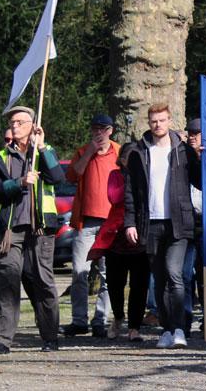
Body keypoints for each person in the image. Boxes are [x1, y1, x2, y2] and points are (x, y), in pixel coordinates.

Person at [0, 106, 67, 354]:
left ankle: (50, 337)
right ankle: (3, 340)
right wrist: (19, 182)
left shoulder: (45, 152)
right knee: (6, 282)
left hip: (40, 229)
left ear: (32, 125)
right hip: (10, 229)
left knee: (43, 281)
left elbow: (57, 178)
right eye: (12, 122)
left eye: (20, 122)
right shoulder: (1, 157)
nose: (15, 126)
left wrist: (40, 146)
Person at [122, 102, 202, 350]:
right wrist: (130, 222)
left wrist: (202, 157)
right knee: (158, 279)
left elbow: (200, 182)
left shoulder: (183, 151)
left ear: (170, 121)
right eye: (154, 121)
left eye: (162, 120)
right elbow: (131, 192)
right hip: (151, 223)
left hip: (179, 223)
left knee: (175, 274)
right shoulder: (138, 153)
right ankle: (166, 329)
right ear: (149, 123)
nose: (158, 125)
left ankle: (179, 328)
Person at [87, 141, 149, 342]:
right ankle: (118, 317)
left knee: (139, 285)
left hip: (140, 236)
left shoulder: (147, 176)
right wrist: (132, 181)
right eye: (129, 157)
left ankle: (134, 327)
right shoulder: (116, 175)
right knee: (115, 283)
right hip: (116, 237)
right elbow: (114, 197)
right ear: (121, 159)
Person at [63, 113, 119, 338]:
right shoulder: (82, 152)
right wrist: (89, 152)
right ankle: (79, 321)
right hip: (85, 222)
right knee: (79, 271)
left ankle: (101, 320)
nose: (98, 132)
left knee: (108, 275)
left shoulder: (120, 151)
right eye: (95, 128)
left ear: (111, 130)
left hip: (111, 222)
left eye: (103, 128)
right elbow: (72, 176)